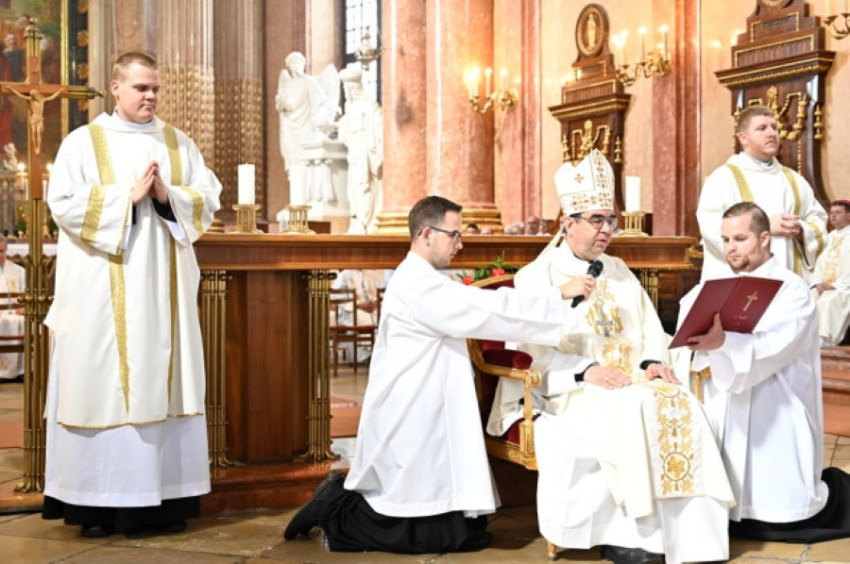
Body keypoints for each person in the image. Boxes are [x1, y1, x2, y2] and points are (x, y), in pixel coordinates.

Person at [284, 195, 597, 553]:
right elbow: (486, 307)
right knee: (426, 530)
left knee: (466, 531)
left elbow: (481, 307)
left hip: (430, 408)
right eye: (454, 235)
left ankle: (340, 497)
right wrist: (557, 295)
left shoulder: (422, 278)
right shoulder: (417, 284)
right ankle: (333, 508)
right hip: (414, 412)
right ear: (427, 234)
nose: (460, 244)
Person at [487, 150, 735, 564]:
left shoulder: (618, 269)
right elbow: (531, 351)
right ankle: (635, 535)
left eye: (611, 220)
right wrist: (585, 371)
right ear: (568, 222)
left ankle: (694, 535)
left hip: (629, 378)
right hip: (571, 388)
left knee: (682, 402)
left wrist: (651, 363)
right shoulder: (538, 276)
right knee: (631, 407)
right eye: (596, 220)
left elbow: (649, 328)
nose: (606, 230)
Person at [41, 52, 222, 538]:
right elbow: (63, 204)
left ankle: (165, 503)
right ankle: (98, 508)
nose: (151, 96)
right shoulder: (83, 143)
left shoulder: (178, 144)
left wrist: (167, 197)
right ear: (116, 87)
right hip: (102, 298)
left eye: (156, 88)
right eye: (141, 88)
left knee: (166, 383)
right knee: (103, 387)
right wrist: (128, 198)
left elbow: (208, 197)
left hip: (166, 301)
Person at [681, 201, 850, 543]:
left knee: (781, 516)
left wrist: (723, 342)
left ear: (764, 238)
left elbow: (775, 348)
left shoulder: (792, 289)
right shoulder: (714, 284)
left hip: (777, 410)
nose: (731, 247)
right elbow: (687, 331)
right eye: (726, 239)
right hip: (726, 406)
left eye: (740, 238)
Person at [697, 105, 827, 282]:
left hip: (789, 281)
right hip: (742, 281)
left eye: (774, 127)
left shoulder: (794, 180)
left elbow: (818, 219)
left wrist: (801, 230)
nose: (771, 133)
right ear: (743, 138)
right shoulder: (722, 179)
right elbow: (711, 228)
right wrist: (763, 227)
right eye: (762, 128)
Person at [275, 51, 338, 207]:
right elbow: (281, 106)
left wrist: (331, 109)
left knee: (305, 161)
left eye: (299, 63)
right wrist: (281, 103)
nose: (296, 66)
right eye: (293, 63)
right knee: (293, 160)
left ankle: (307, 199)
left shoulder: (309, 82)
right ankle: (296, 200)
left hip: (305, 127)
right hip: (290, 127)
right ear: (289, 66)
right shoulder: (287, 85)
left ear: (303, 65)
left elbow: (321, 101)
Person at [337, 63, 382, 234]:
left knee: (364, 185)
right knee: (352, 189)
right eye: (345, 89)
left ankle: (365, 222)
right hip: (354, 152)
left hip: (365, 151)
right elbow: (345, 133)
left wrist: (378, 153)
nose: (347, 93)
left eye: (348, 89)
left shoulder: (369, 105)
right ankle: (356, 222)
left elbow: (379, 126)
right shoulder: (349, 107)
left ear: (355, 88)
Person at [810, 200, 850, 346]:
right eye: (831, 213)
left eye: (838, 213)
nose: (833, 216)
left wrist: (835, 285)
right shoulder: (829, 237)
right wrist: (818, 283)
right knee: (807, 298)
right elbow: (820, 264)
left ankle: (825, 341)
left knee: (828, 302)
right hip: (825, 287)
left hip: (844, 288)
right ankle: (805, 338)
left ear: (849, 216)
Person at [0, 235, 24, 382]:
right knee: (7, 322)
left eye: (1, 251)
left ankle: (23, 370)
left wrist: (24, 306)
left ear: (7, 251)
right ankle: (4, 372)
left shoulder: (18, 271)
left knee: (27, 322)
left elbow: (26, 293)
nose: (0, 255)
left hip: (17, 313)